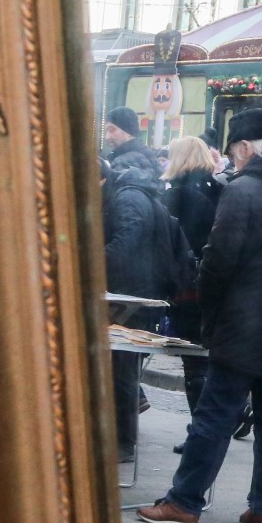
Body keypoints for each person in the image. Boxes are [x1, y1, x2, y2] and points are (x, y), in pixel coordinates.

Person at [136, 108, 262, 523]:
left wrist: (209, 309)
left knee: (214, 415)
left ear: (245, 147)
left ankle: (184, 502)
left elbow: (219, 261)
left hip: (245, 323)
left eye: (233, 151)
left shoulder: (245, 190)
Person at [103, 155, 175, 465]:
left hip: (134, 295)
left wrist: (87, 260)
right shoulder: (132, 194)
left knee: (122, 368)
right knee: (121, 366)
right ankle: (120, 437)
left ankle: (123, 441)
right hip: (136, 292)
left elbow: (126, 244)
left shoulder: (128, 197)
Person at [163, 135, 222, 453]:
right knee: (206, 359)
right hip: (212, 282)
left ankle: (200, 433)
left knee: (194, 362)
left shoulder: (180, 194)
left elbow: (172, 242)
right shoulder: (218, 188)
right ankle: (208, 426)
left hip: (187, 286)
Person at [105, 106, 159, 180]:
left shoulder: (122, 163)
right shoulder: (151, 157)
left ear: (129, 132)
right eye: (106, 131)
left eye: (112, 130)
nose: (107, 137)